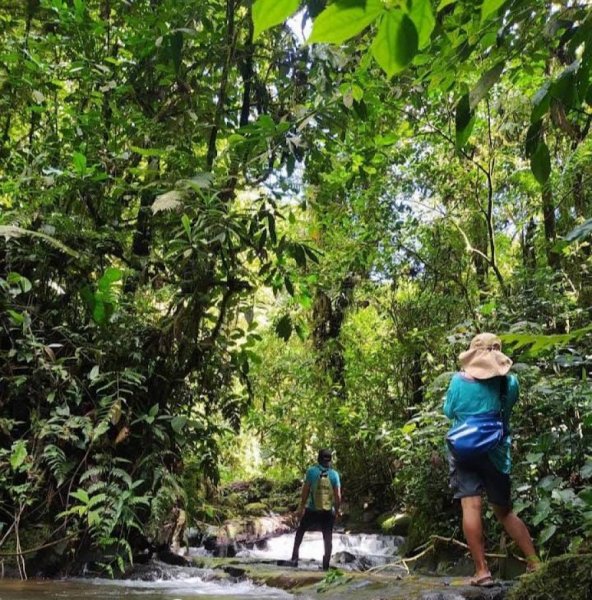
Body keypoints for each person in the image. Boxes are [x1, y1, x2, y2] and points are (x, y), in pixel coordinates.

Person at [444, 333, 540, 587]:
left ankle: (482, 571)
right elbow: (505, 413)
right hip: (497, 452)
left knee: (471, 507)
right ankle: (535, 563)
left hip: (463, 451)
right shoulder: (510, 383)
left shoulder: (457, 381)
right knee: (505, 512)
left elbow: (448, 412)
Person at [289, 448, 341, 570]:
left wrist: (302, 507)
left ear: (319, 459)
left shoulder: (311, 472)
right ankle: (326, 564)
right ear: (330, 460)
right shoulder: (334, 475)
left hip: (312, 510)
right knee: (327, 538)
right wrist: (337, 510)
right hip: (327, 512)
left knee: (301, 531)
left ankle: (295, 557)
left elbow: (306, 491)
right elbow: (338, 496)